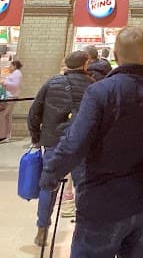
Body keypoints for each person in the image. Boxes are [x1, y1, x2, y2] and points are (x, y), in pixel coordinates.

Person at [40, 26, 143, 258]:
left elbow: (75, 143)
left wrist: (51, 173)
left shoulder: (99, 92)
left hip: (103, 204)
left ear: (115, 54)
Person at [28, 50, 94, 247]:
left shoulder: (52, 83)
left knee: (48, 185)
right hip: (81, 144)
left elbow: (34, 112)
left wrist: (36, 136)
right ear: (86, 64)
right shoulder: (93, 86)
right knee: (83, 188)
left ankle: (42, 229)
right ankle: (82, 230)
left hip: (53, 142)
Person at [0, 59, 23, 141]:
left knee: (4, 115)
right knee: (7, 116)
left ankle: (4, 135)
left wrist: (4, 82)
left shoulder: (17, 73)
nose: (9, 67)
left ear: (15, 66)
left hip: (11, 97)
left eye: (11, 65)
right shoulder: (15, 74)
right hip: (10, 96)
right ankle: (6, 135)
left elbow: (15, 85)